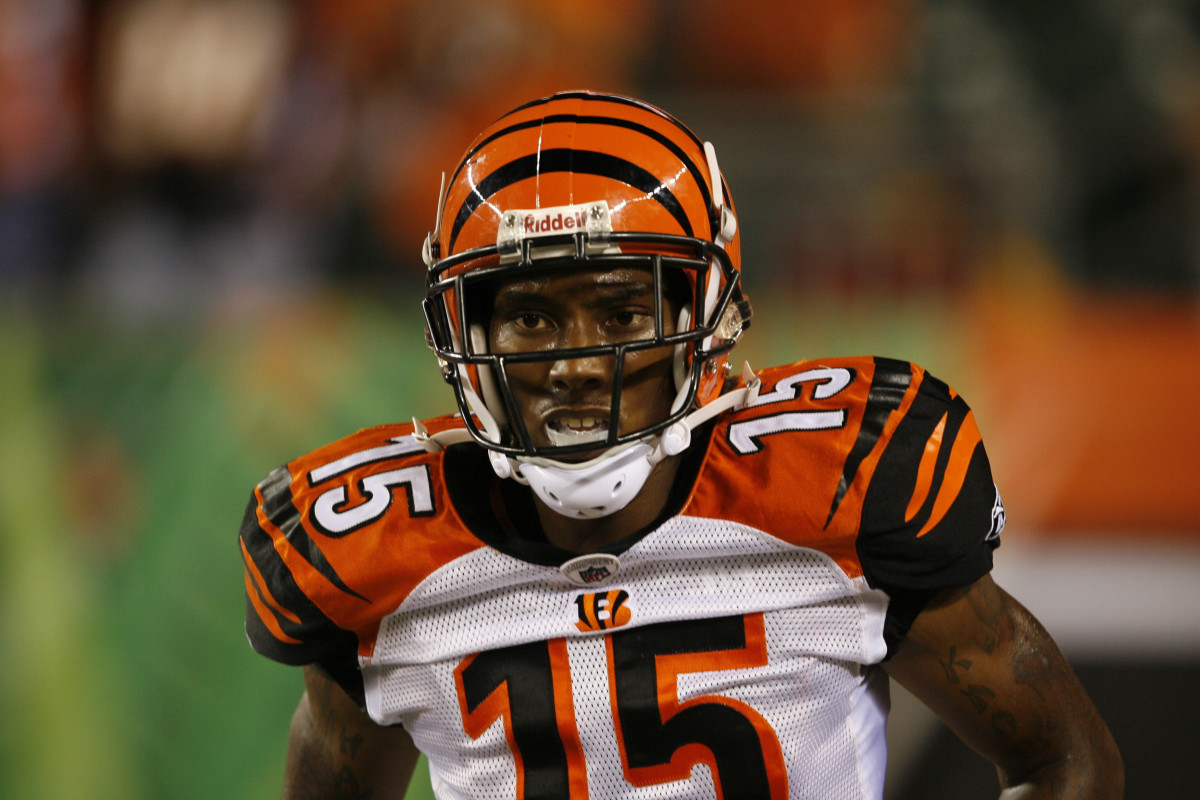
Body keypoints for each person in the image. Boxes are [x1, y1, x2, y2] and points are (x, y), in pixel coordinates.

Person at [239, 90, 1122, 799]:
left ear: (705, 319)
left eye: (622, 312)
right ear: (463, 335)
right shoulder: (370, 554)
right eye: (533, 318)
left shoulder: (835, 486)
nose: (576, 364)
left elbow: (1063, 764)